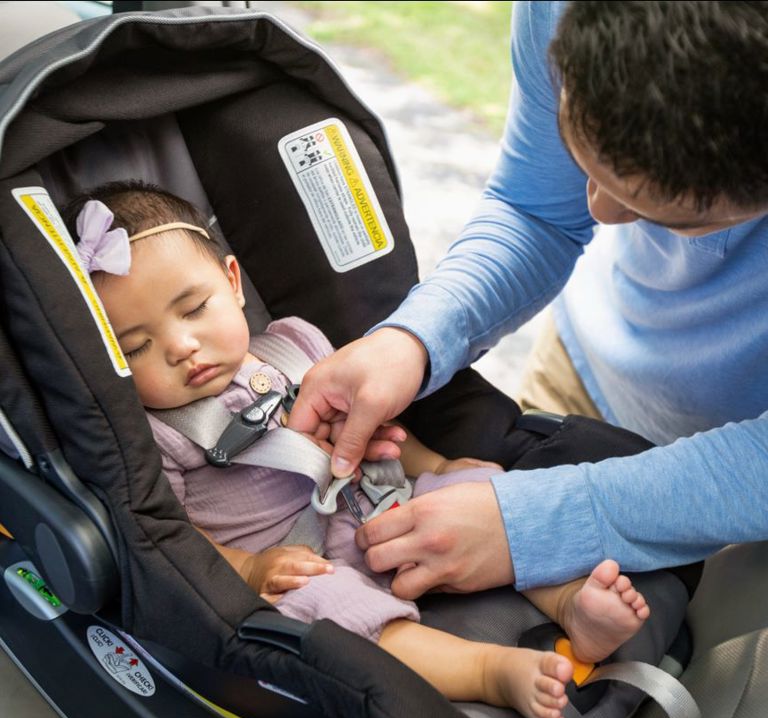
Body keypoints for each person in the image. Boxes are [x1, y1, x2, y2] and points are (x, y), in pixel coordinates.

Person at [62, 180, 651, 718]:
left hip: (380, 504)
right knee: (331, 613)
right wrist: (248, 570)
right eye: (136, 345)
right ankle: (487, 672)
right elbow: (175, 538)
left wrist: (437, 468)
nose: (181, 346)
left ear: (233, 282)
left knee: (474, 500)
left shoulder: (295, 345)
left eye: (194, 309)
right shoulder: (155, 434)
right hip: (293, 562)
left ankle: (571, 603)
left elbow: (376, 426)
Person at [287, 0, 768, 600]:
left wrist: (538, 523)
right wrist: (414, 336)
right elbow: (541, 212)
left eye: (663, 217)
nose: (600, 213)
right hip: (583, 376)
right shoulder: (558, 9)